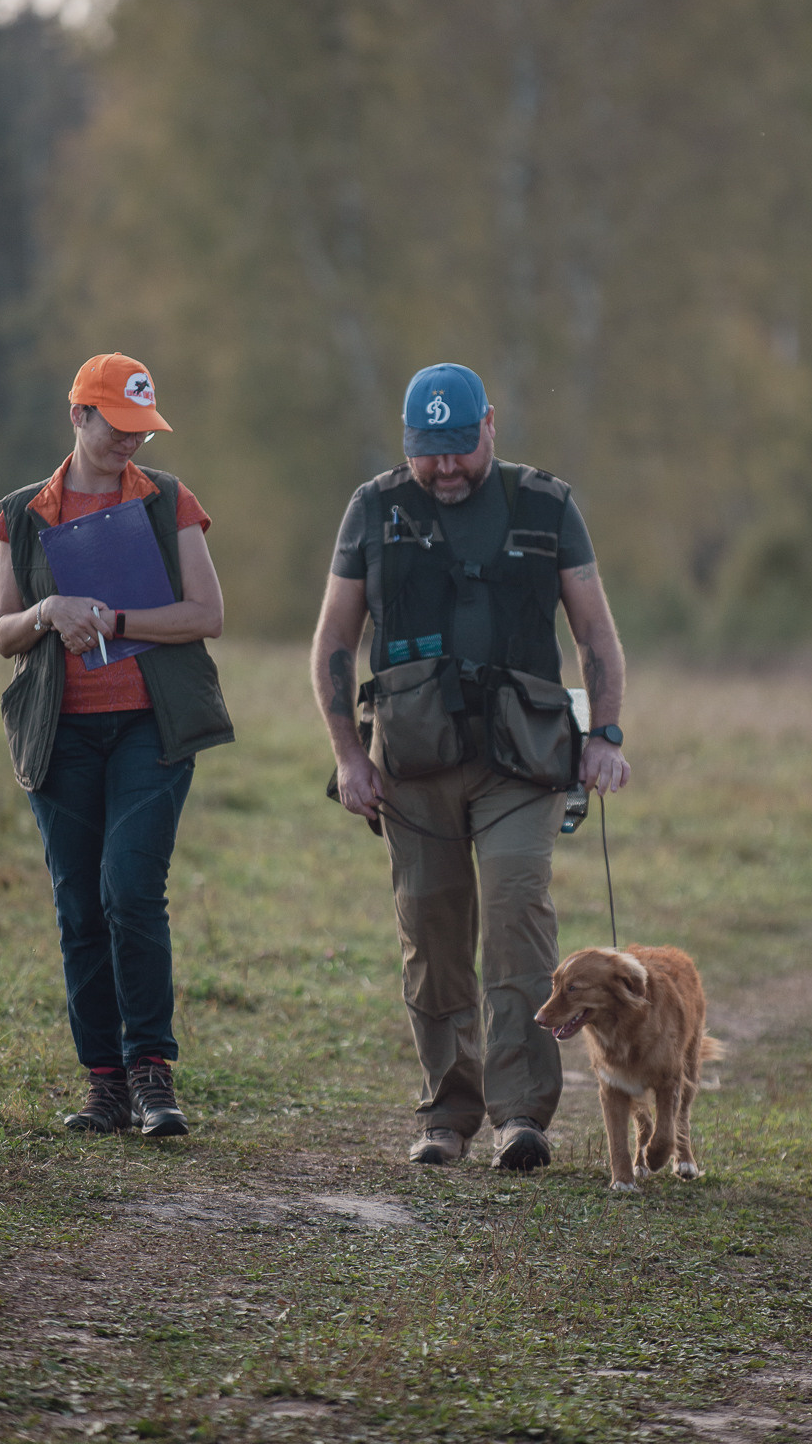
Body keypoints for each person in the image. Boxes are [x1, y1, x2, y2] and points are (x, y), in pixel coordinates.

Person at [311, 362, 629, 1172]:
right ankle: (446, 1115)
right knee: (431, 932)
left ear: (489, 424)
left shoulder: (547, 505)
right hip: (413, 763)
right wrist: (349, 755)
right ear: (406, 443)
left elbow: (595, 633)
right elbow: (335, 642)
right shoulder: (373, 509)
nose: (445, 468)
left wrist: (607, 735)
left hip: (522, 760)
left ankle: (522, 1114)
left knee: (519, 910)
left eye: (458, 449)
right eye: (428, 453)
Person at [0, 352, 233, 1137]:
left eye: (143, 429)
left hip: (148, 728)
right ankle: (102, 1083)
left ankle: (151, 1073)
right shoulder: (25, 512)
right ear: (79, 417)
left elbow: (205, 614)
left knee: (130, 889)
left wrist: (115, 620)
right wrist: (49, 611)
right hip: (60, 736)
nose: (132, 442)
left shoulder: (168, 501)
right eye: (119, 427)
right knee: (77, 905)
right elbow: (2, 633)